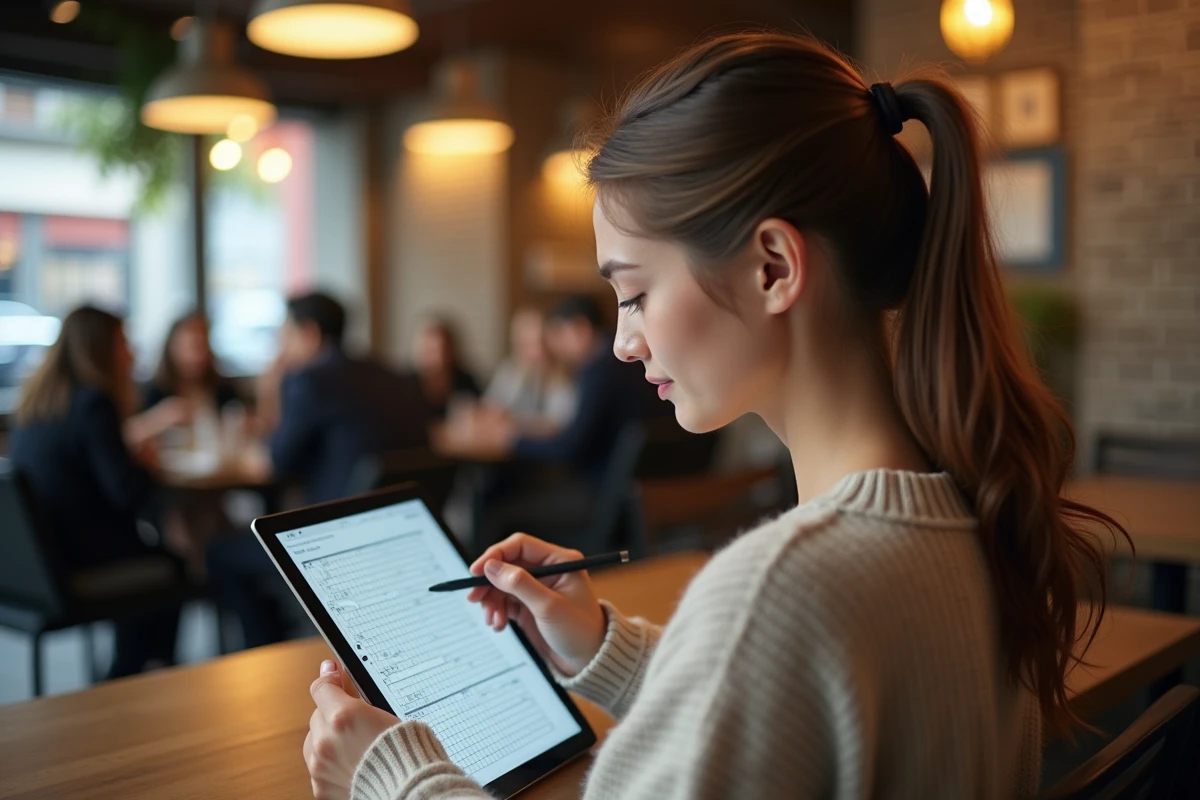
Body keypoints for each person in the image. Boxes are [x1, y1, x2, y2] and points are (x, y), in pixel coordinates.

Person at [300, 33, 1132, 800]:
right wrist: (600, 647)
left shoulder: (783, 587)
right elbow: (797, 720)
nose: (624, 342)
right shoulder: (973, 515)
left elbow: (786, 651)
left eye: (634, 293)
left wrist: (394, 775)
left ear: (773, 265)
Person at [207, 291, 430, 649]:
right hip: (398, 536)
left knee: (219, 552)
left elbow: (277, 461)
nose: (281, 344)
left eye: (285, 333)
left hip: (333, 542)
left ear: (308, 333)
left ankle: (265, 650)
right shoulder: (395, 376)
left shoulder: (310, 380)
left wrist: (271, 384)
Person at [9, 306, 181, 678]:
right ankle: (130, 674)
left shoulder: (37, 401)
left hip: (36, 562)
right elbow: (127, 494)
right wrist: (145, 465)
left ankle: (129, 672)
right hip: (80, 559)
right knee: (177, 566)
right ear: (101, 347)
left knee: (154, 557)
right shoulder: (93, 402)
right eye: (124, 342)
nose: (132, 353)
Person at [483, 307, 576, 434]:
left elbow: (558, 426)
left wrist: (510, 421)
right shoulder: (510, 372)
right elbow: (489, 413)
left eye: (542, 342)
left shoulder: (568, 375)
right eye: (528, 344)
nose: (538, 351)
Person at [411, 316, 481, 420]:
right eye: (429, 351)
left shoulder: (466, 383)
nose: (436, 358)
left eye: (441, 350)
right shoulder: (406, 386)